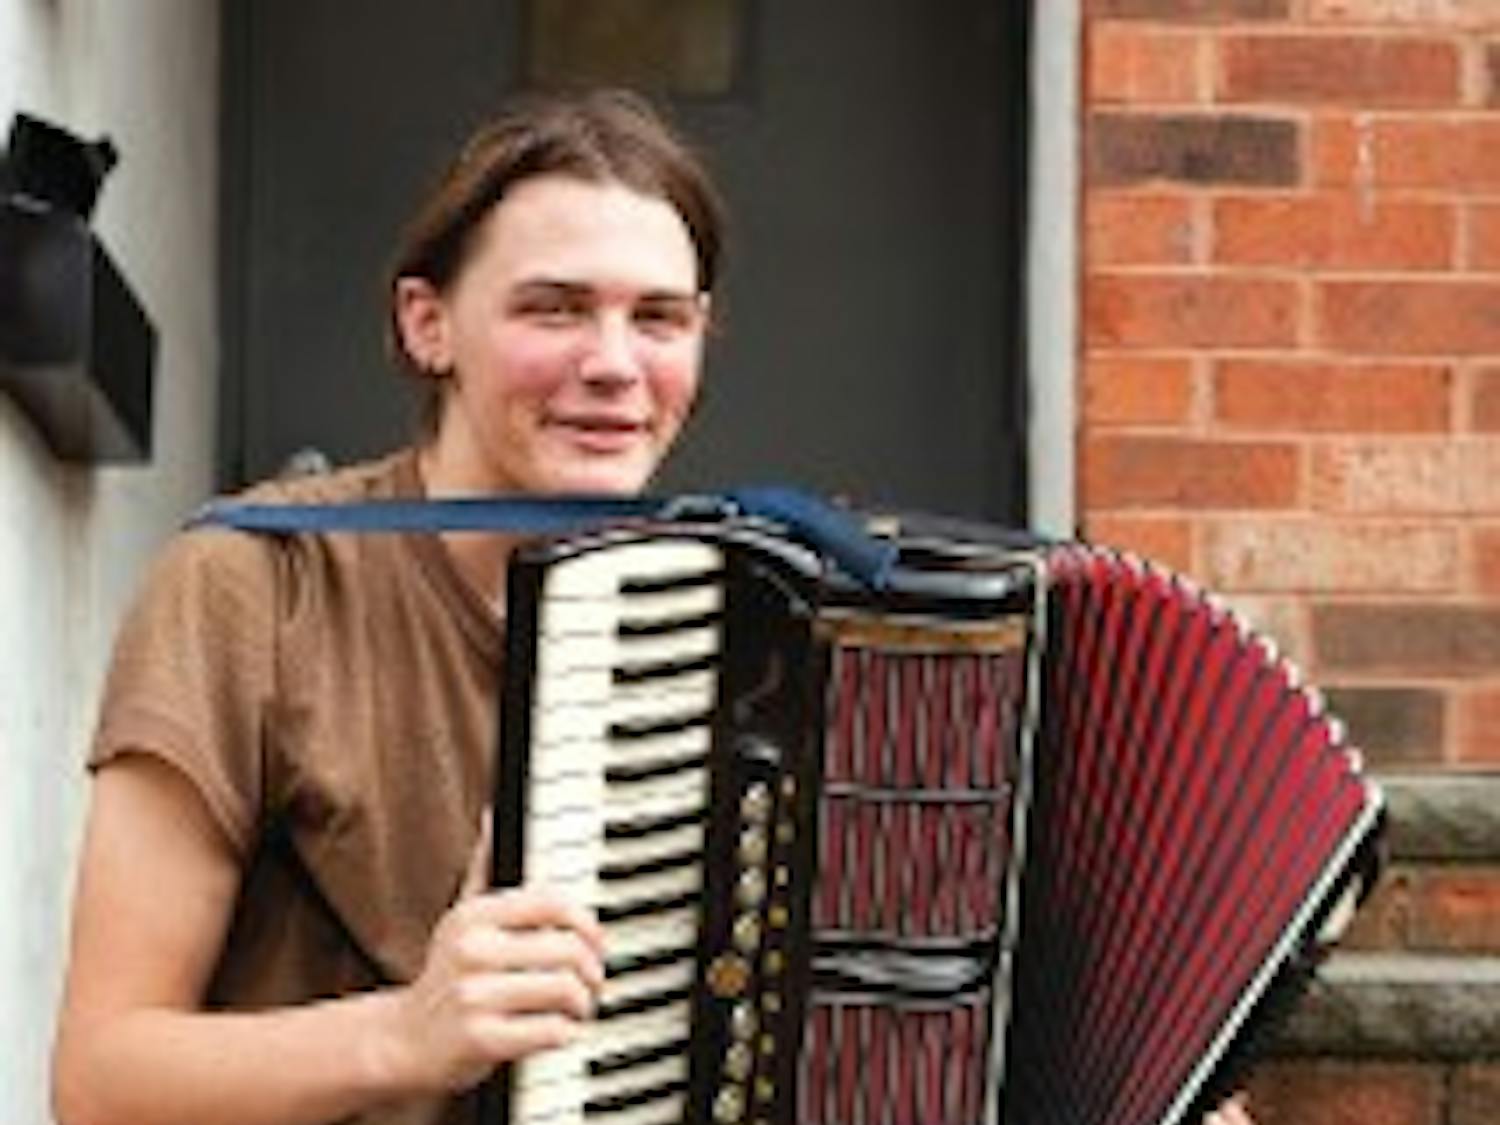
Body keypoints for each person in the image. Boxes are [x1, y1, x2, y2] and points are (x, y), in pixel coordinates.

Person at [52, 87, 1256, 1125]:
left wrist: (1149, 1089)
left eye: (660, 319)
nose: (614, 364)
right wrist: (407, 1035)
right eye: (554, 308)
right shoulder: (255, 586)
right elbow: (98, 1081)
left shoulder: (786, 619)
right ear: (429, 324)